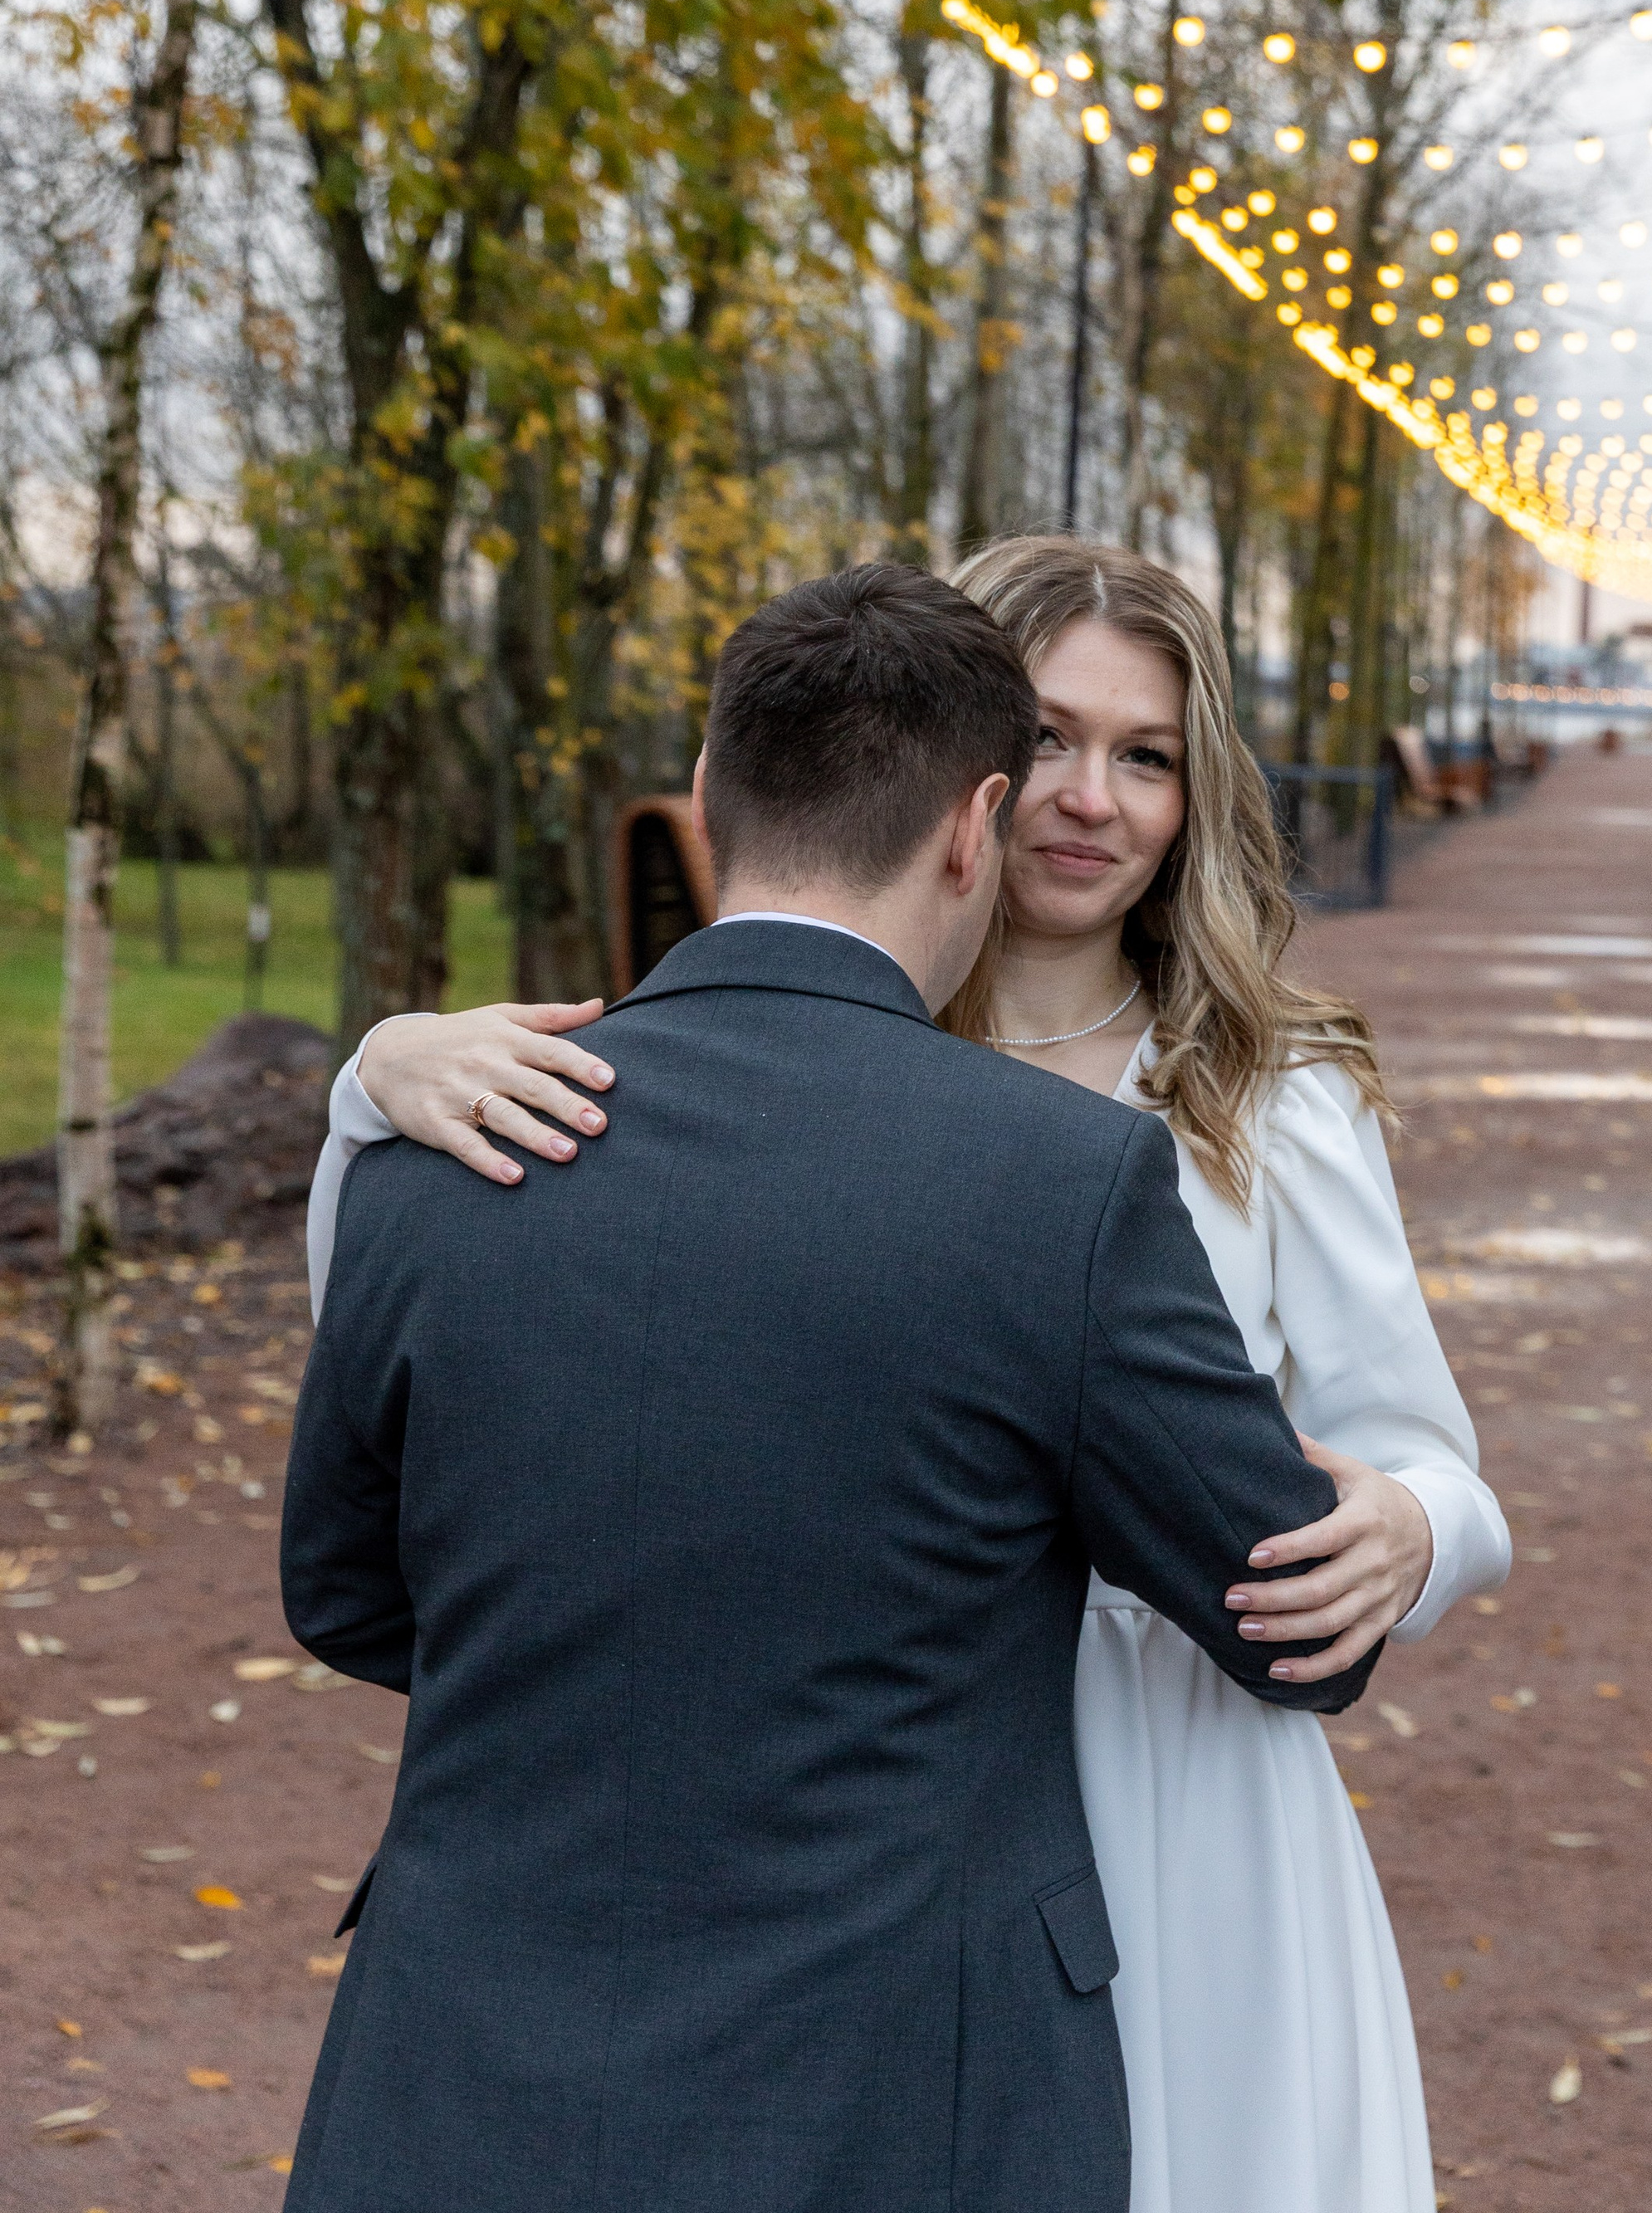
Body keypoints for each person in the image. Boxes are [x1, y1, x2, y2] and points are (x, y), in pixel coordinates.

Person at [315, 537, 1509, 2213]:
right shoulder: (754, 1073)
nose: (1092, 799)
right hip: (848, 1788)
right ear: (960, 780)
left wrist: (1410, 1523)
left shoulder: (1267, 1093)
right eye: (1055, 741)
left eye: (1148, 755)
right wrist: (374, 1078)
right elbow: (483, 1349)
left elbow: (1430, 1460)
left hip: (1182, 1789)